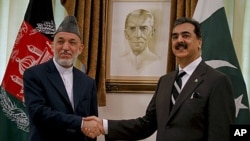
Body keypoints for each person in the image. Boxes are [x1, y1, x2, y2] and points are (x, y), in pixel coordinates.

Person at [84, 17, 236, 141]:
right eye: (175, 37)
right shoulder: (165, 81)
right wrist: (104, 125)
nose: (179, 40)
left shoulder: (217, 81)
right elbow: (147, 124)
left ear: (199, 42)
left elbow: (221, 135)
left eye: (186, 35)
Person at [23, 16, 101, 141]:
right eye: (60, 41)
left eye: (72, 42)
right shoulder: (34, 75)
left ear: (80, 49)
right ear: (52, 45)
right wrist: (80, 123)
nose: (65, 47)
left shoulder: (88, 82)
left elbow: (91, 123)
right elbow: (39, 113)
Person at [110, 9, 164, 76]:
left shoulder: (160, 63)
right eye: (132, 28)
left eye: (143, 28)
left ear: (152, 33)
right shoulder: (116, 63)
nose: (137, 35)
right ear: (126, 34)